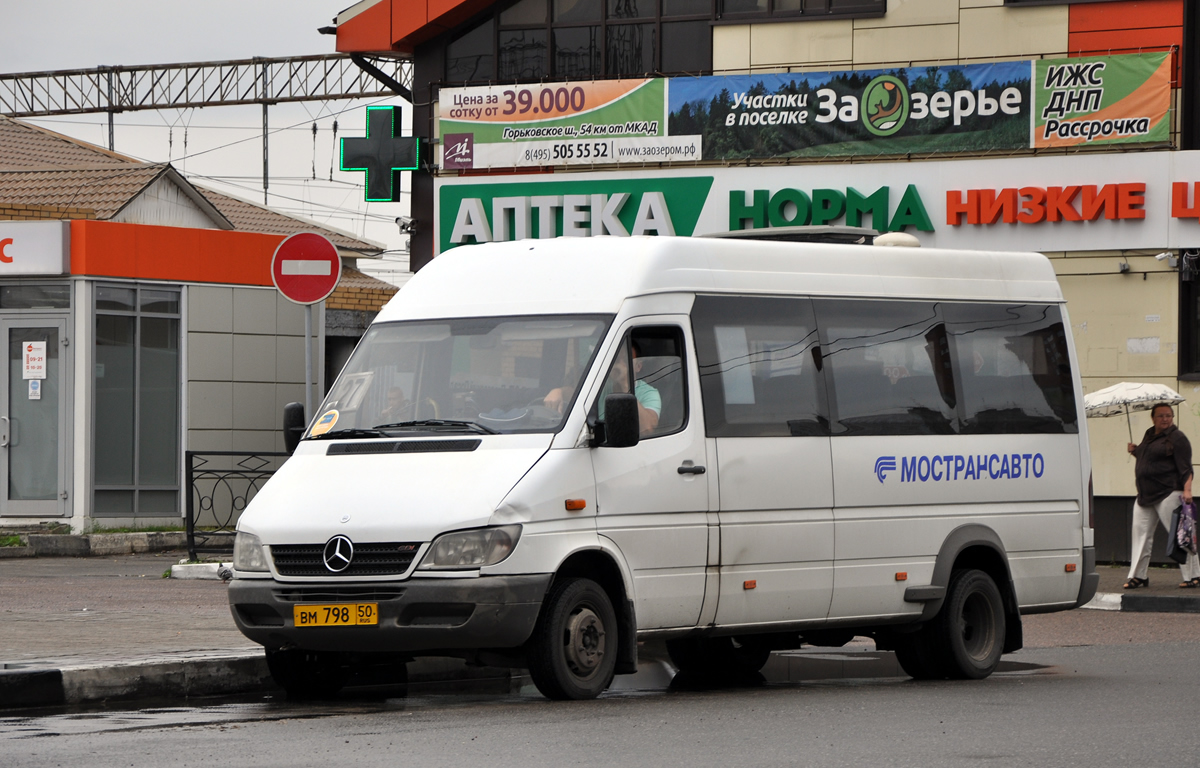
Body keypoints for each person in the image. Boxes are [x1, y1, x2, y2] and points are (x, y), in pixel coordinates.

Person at [1124, 403, 1199, 589]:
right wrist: (1135, 451)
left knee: (1180, 535)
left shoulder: (1177, 438)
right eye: (1161, 416)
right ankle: (1138, 576)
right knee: (1141, 535)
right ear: (1153, 418)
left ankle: (1194, 575)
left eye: (1168, 415)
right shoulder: (1149, 435)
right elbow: (1149, 460)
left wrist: (1187, 490)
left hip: (1168, 492)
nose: (1165, 419)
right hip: (1145, 494)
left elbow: (1186, 468)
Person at [544, 340, 660, 435]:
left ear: (638, 366)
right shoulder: (602, 386)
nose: (619, 364)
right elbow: (576, 395)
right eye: (617, 359)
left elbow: (648, 428)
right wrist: (558, 391)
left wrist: (626, 385)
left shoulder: (649, 393)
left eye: (625, 360)